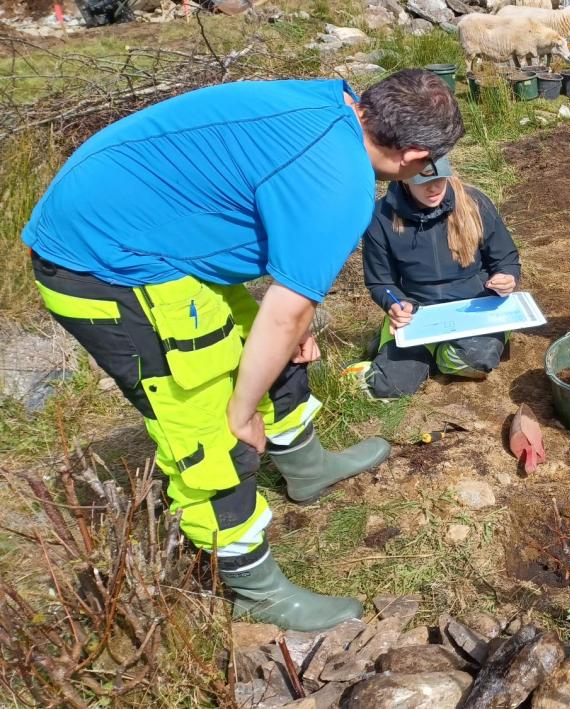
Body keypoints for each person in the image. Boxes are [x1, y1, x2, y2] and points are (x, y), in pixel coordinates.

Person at [23, 70, 464, 631]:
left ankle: (306, 470)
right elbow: (285, 310)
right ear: (416, 153)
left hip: (160, 235)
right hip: (104, 263)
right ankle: (254, 587)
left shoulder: (335, 101)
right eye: (428, 165)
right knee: (211, 432)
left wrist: (288, 323)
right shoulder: (341, 183)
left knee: (283, 346)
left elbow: (285, 309)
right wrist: (241, 408)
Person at [344, 156, 520, 399]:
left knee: (478, 359)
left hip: (475, 308)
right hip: (419, 314)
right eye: (422, 181)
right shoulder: (380, 217)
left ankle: (441, 354)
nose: (434, 188)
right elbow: (380, 282)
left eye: (439, 179)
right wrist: (395, 303)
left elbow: (506, 259)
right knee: (390, 387)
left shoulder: (475, 203)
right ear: (403, 178)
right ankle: (403, 354)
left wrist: (506, 276)